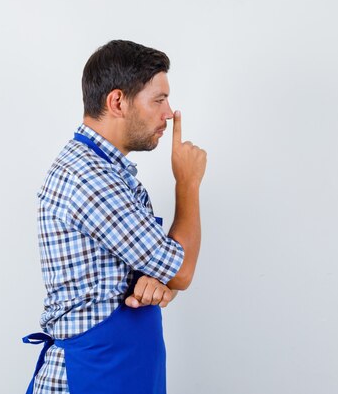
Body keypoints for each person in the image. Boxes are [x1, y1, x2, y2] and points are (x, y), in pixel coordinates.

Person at [22, 40, 207, 394]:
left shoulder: (111, 172)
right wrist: (188, 183)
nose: (169, 112)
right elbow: (180, 269)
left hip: (122, 373)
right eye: (158, 99)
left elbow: (164, 271)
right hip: (91, 377)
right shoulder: (89, 177)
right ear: (117, 101)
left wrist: (159, 282)